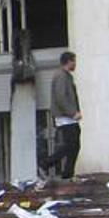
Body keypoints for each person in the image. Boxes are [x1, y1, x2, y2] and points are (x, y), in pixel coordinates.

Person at [42, 51, 82, 179]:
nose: (75, 64)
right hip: (65, 117)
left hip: (69, 117)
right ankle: (46, 163)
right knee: (71, 145)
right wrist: (72, 112)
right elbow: (61, 97)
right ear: (68, 61)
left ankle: (68, 173)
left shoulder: (67, 76)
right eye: (74, 61)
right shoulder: (61, 76)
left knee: (74, 145)